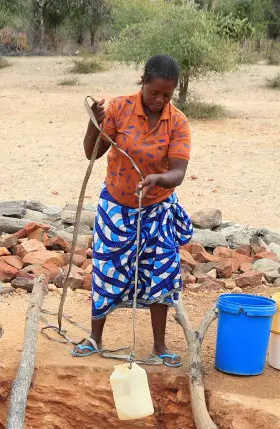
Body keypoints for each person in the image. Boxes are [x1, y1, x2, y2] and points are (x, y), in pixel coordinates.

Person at [72, 54, 193, 367]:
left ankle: (159, 345)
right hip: (117, 208)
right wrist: (94, 122)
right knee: (106, 270)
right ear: (143, 82)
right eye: (155, 92)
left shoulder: (177, 121)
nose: (160, 100)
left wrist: (158, 179)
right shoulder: (118, 108)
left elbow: (178, 172)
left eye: (168, 95)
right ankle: (95, 338)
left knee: (161, 273)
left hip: (158, 209)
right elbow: (93, 152)